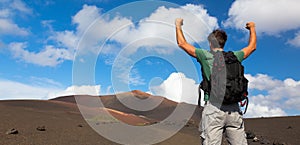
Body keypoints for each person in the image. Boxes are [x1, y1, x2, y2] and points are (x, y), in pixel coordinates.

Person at [175, 18, 256, 145]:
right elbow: (252, 47)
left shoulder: (205, 55)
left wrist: (178, 25)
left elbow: (182, 43)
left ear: (211, 43)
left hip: (213, 108)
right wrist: (252, 28)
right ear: (224, 43)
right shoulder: (236, 56)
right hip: (234, 109)